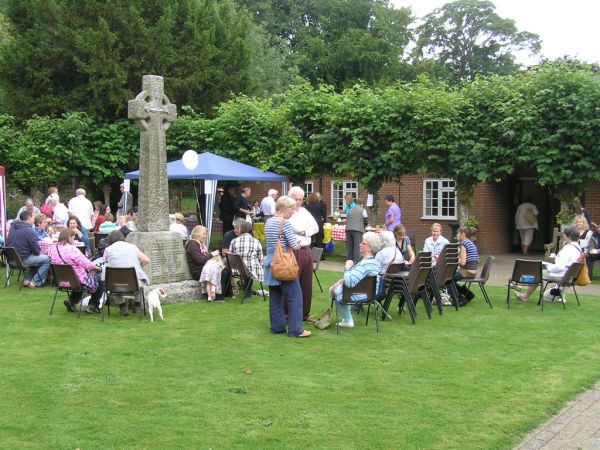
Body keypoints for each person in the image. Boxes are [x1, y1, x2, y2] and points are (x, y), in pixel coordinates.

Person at [263, 196, 311, 338]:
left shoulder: (268, 222)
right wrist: (298, 241)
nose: (293, 211)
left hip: (271, 264)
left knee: (276, 296)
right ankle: (296, 330)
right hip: (284, 264)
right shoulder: (286, 224)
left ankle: (277, 327)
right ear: (284, 209)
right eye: (291, 208)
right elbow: (293, 245)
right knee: (295, 296)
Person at [330, 231, 382, 328]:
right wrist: (342, 280)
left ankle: (348, 320)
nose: (360, 244)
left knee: (333, 290)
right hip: (371, 295)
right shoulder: (373, 263)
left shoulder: (364, 264)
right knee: (337, 288)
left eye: (363, 243)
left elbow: (349, 282)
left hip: (358, 295)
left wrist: (348, 267)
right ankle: (347, 319)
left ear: (370, 247)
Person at [516, 226, 582, 302]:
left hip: (562, 276)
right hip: (569, 277)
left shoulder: (568, 249)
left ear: (569, 236)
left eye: (564, 235)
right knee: (541, 269)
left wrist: (548, 267)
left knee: (538, 272)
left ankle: (524, 293)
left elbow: (559, 267)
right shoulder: (578, 248)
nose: (563, 237)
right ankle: (520, 285)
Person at [49, 228, 103, 314]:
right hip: (76, 279)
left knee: (79, 280)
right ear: (69, 237)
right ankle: (93, 305)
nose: (74, 241)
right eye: (73, 238)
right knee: (100, 280)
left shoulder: (53, 248)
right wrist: (97, 268)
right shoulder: (72, 249)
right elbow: (86, 263)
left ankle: (72, 301)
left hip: (62, 280)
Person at [288, 186, 319, 323]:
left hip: (306, 248)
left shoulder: (305, 211)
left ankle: (304, 314)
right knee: (293, 281)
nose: (299, 202)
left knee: (306, 283)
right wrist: (303, 230)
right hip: (293, 249)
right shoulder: (288, 213)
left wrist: (304, 232)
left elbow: (315, 227)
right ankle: (288, 314)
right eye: (296, 199)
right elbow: (293, 228)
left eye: (301, 199)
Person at [103, 230, 149, 315]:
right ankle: (137, 304)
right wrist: (139, 266)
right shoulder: (133, 247)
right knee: (139, 281)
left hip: (115, 284)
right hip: (134, 283)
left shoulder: (107, 250)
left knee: (115, 285)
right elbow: (146, 259)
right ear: (122, 237)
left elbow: (105, 261)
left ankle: (122, 306)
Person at [5, 210, 51, 288]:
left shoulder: (13, 227)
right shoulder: (29, 230)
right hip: (23, 259)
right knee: (47, 259)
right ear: (29, 218)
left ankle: (27, 280)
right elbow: (36, 252)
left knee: (38, 259)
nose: (34, 220)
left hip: (13, 259)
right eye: (33, 218)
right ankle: (35, 282)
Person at [185, 225, 227, 301]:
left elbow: (204, 257)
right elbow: (199, 260)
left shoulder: (199, 244)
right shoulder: (192, 244)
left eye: (205, 234)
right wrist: (211, 254)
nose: (205, 236)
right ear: (197, 234)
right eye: (203, 234)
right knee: (222, 272)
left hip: (205, 268)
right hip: (198, 271)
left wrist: (212, 255)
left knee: (226, 270)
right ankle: (219, 296)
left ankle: (226, 293)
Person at [229, 221, 264, 299]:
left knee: (247, 268)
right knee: (252, 267)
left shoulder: (234, 241)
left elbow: (231, 255)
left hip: (236, 270)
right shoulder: (256, 242)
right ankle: (247, 294)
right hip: (250, 270)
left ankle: (247, 291)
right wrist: (260, 265)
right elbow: (260, 258)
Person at [345, 197, 365, 263]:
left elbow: (348, 218)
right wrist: (364, 226)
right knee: (357, 246)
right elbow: (366, 220)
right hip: (358, 230)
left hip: (348, 229)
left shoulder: (350, 209)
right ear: (362, 203)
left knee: (350, 246)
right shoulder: (363, 210)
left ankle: (349, 262)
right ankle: (357, 262)